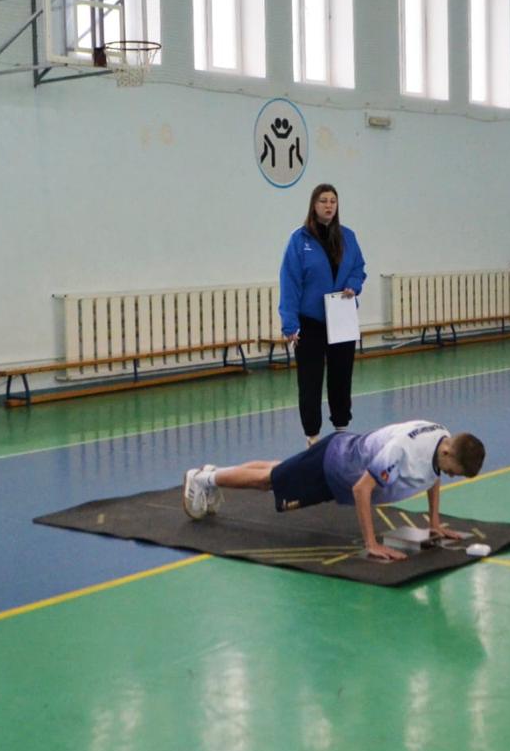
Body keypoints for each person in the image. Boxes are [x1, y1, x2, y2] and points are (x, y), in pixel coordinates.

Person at [181, 420, 486, 561]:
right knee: (269, 481)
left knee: (279, 470)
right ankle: (202, 479)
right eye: (454, 471)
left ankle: (215, 472)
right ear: (448, 452)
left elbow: (433, 474)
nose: (450, 476)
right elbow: (362, 490)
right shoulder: (402, 451)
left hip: (340, 456)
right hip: (331, 468)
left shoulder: (443, 439)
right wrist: (371, 544)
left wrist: (434, 522)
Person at [278, 184, 367, 445]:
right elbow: (289, 282)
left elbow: (359, 268)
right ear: (314, 205)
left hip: (341, 317)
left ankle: (341, 431)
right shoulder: (299, 239)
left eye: (333, 201)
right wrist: (289, 323)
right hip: (310, 322)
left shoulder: (348, 237)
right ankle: (313, 438)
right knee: (310, 382)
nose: (329, 206)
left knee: (341, 377)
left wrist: (353, 284)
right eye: (323, 201)